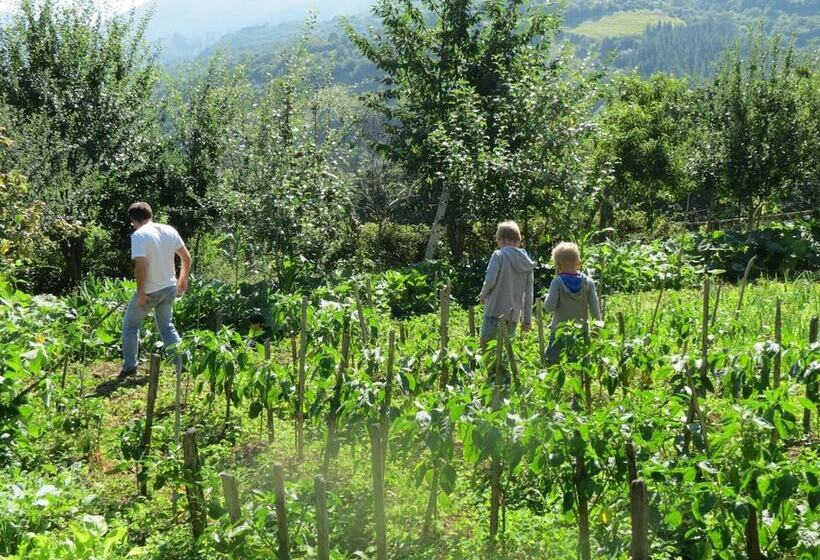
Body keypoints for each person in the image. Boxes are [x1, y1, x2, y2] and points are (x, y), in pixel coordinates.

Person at [120, 202, 191, 377]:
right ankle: (184, 363)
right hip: (169, 287)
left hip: (151, 290)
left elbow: (141, 268)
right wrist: (182, 280)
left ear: (133, 220)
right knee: (167, 327)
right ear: (151, 215)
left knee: (130, 325)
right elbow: (186, 257)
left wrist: (141, 294)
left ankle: (130, 367)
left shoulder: (139, 235)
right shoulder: (169, 230)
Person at [478, 221, 536, 346]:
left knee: (487, 350)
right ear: (519, 240)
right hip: (512, 316)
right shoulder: (527, 264)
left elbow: (490, 280)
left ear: (502, 240)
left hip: (494, 310)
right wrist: (526, 320)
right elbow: (529, 295)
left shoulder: (498, 255)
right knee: (505, 351)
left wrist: (483, 296)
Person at [543, 241, 601, 364]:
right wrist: (597, 327)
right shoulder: (588, 282)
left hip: (559, 331)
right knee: (579, 362)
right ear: (579, 263)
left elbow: (549, 307)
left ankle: (555, 383)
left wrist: (548, 296)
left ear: (558, 265)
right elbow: (595, 308)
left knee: (552, 362)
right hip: (581, 331)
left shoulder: (557, 283)